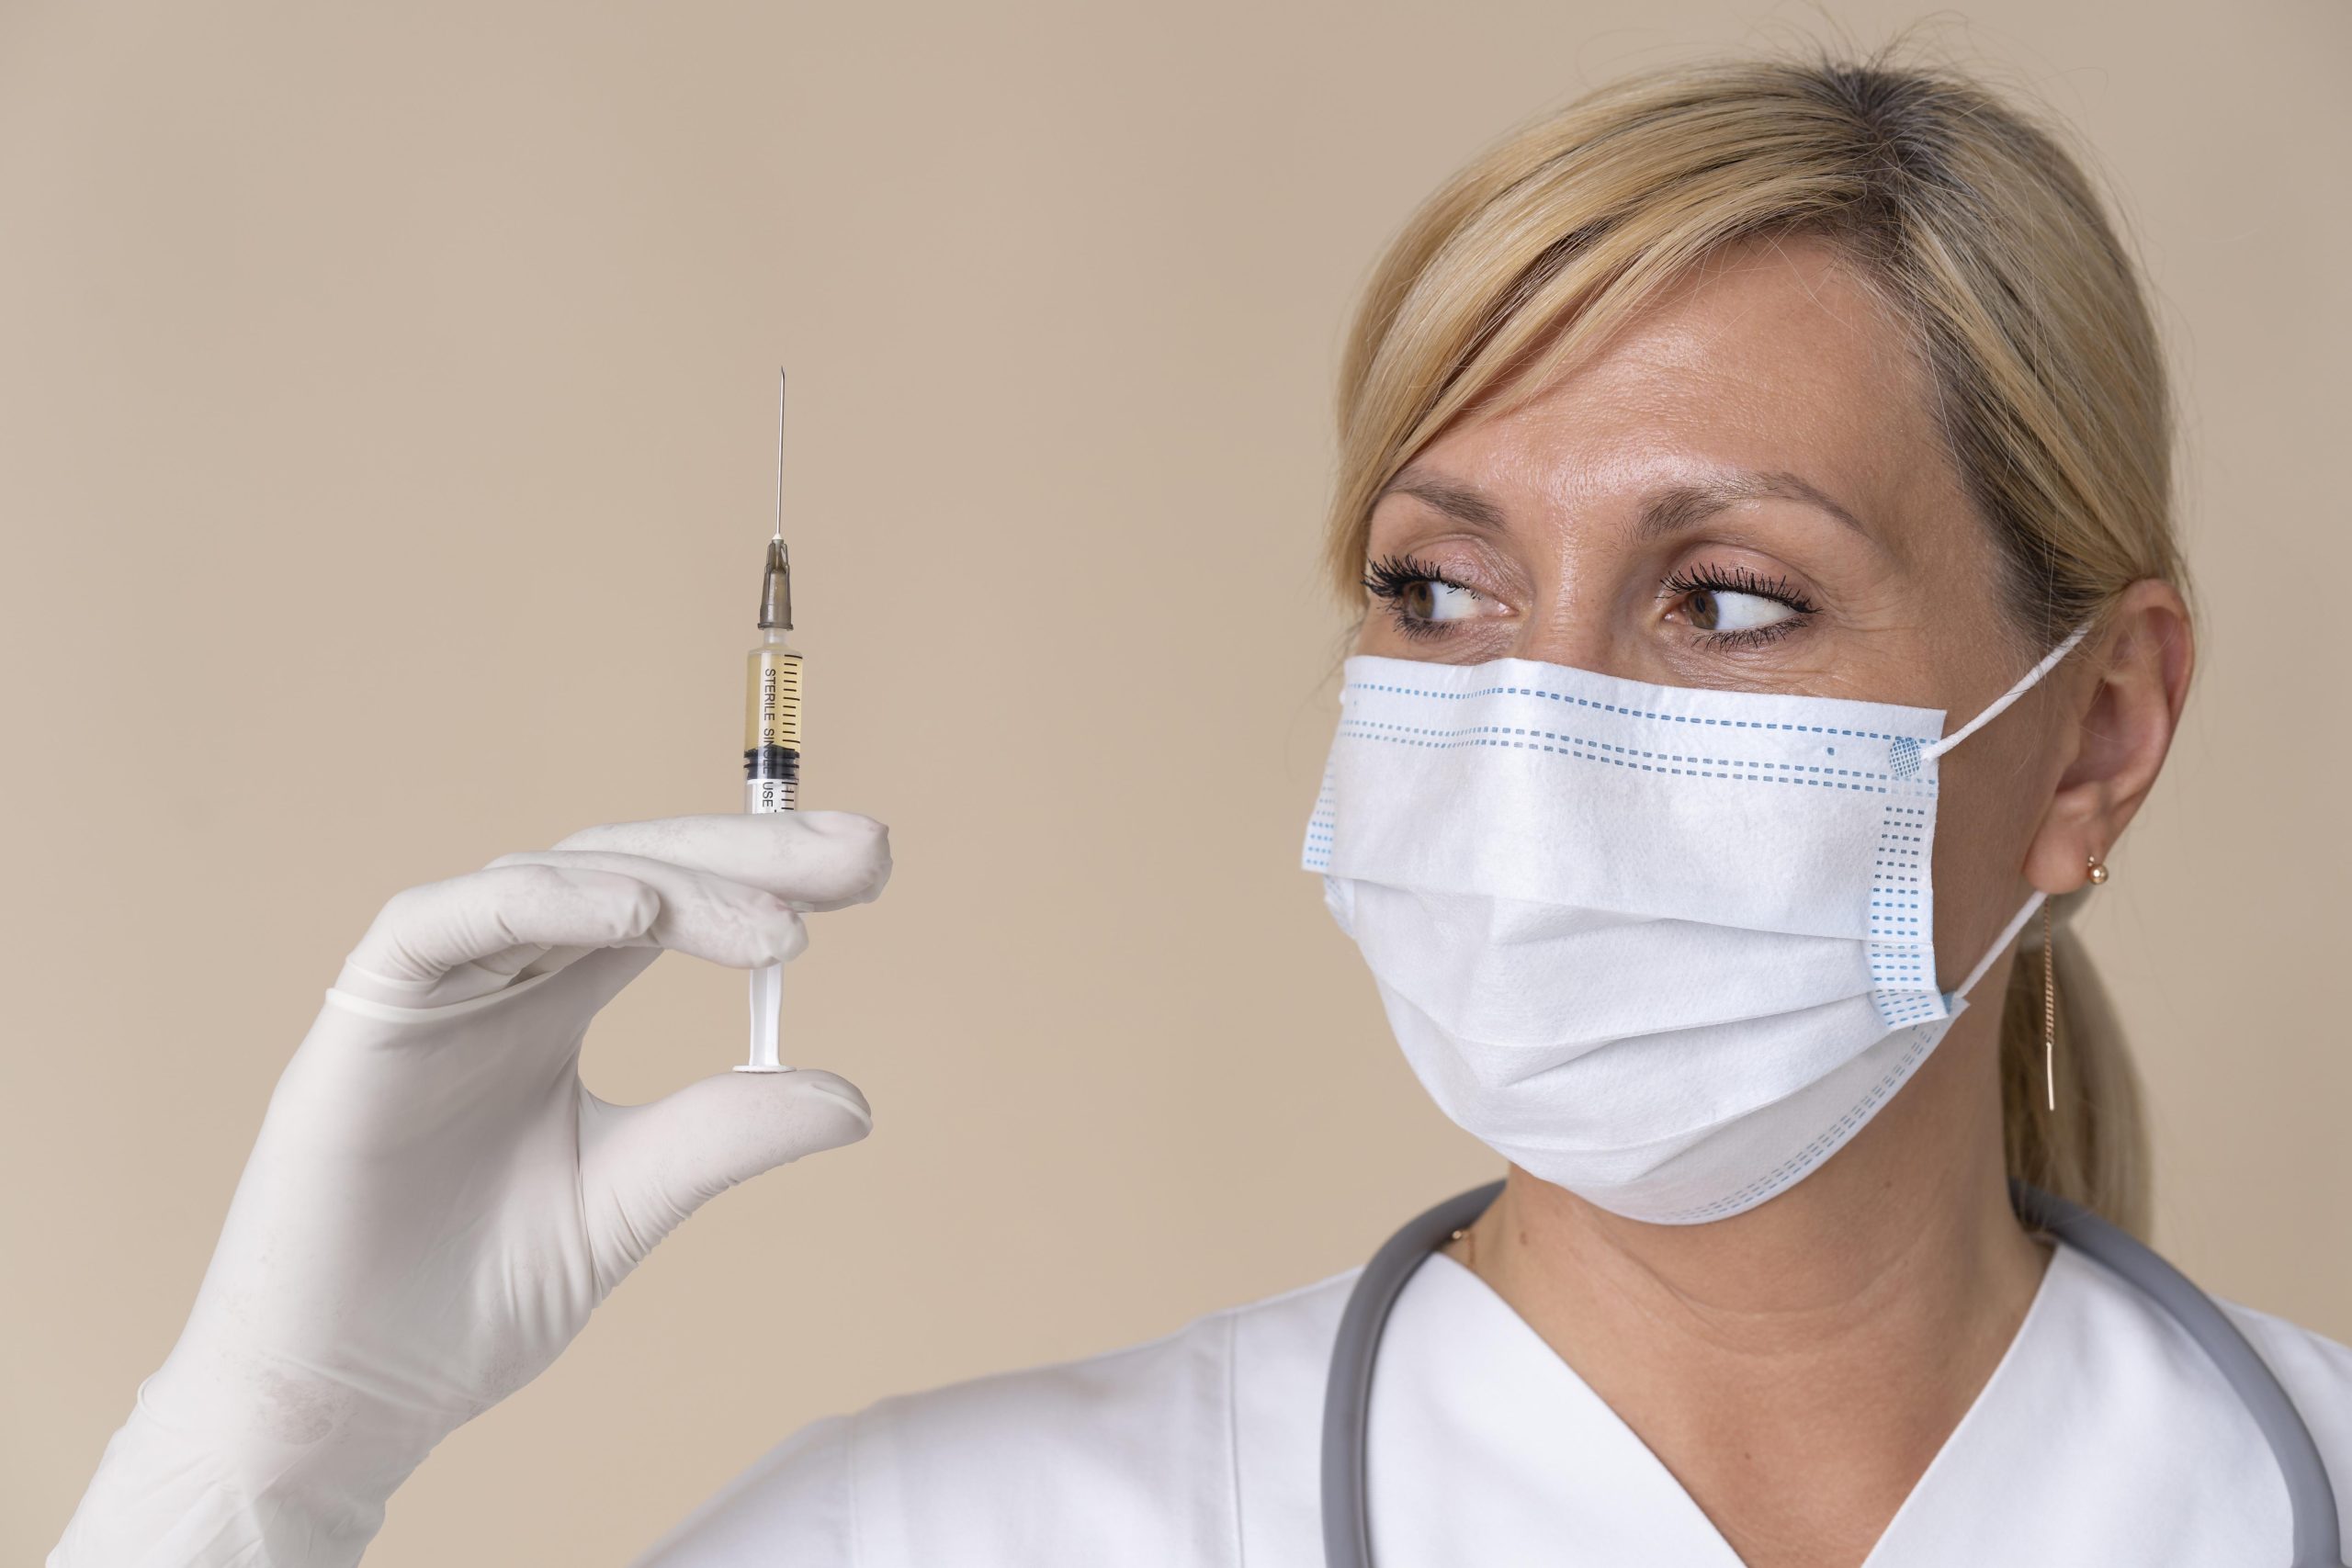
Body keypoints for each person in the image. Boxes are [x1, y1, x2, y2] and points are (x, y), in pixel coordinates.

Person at [51, 48, 2352, 1568]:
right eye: (1434, 587)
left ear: (2093, 736)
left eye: (1727, 601)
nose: (1529, 728)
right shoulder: (949, 1538)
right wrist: (264, 1448)